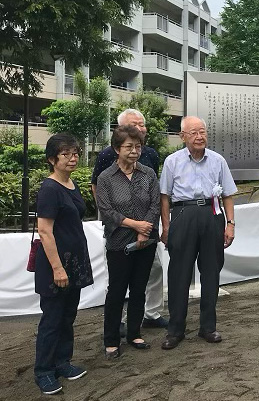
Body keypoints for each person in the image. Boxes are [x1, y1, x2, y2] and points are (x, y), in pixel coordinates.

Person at [159, 116, 237, 350]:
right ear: (183, 136)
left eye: (202, 132)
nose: (199, 136)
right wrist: (166, 226)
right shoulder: (172, 161)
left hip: (212, 216)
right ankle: (175, 329)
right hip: (183, 215)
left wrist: (230, 223)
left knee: (211, 272)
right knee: (179, 274)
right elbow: (165, 196)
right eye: (193, 132)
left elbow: (228, 195)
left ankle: (208, 327)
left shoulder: (217, 160)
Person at [91, 109, 167, 331]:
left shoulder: (151, 154)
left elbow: (156, 196)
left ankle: (151, 314)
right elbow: (98, 187)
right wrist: (115, 218)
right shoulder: (107, 156)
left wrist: (147, 227)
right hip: (119, 229)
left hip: (148, 226)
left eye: (142, 125)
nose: (140, 129)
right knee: (118, 278)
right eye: (134, 125)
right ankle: (119, 323)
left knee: (153, 271)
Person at [33, 133, 94, 395]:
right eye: (66, 153)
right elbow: (45, 231)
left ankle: (62, 362)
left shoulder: (71, 184)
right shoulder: (49, 189)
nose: (73, 157)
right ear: (52, 159)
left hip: (75, 262)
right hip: (55, 265)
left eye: (76, 152)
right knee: (52, 319)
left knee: (68, 316)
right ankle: (44, 371)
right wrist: (57, 268)